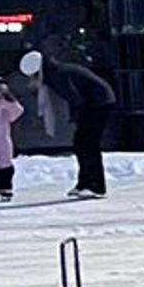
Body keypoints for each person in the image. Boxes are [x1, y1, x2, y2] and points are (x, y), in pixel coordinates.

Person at [22, 47, 114, 198]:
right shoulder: (58, 72)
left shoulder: (58, 75)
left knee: (88, 145)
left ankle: (96, 185)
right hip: (96, 103)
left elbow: (75, 97)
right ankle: (85, 183)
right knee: (82, 144)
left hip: (97, 104)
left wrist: (78, 116)